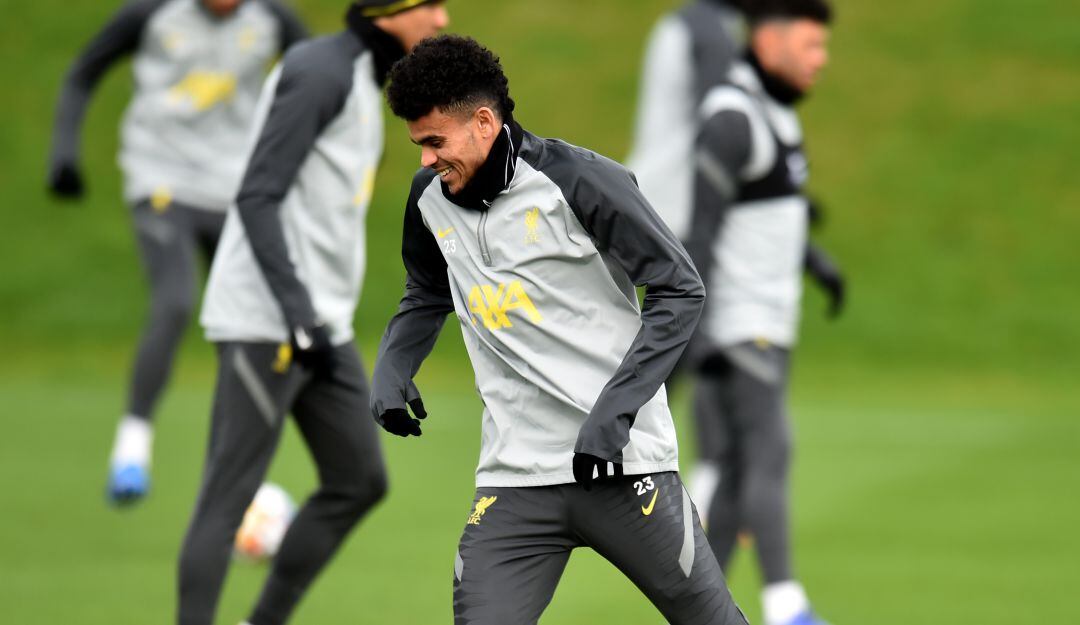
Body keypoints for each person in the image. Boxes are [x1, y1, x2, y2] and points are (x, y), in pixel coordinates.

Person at [371, 35, 748, 625]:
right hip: (514, 480)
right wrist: (394, 366)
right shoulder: (430, 200)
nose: (425, 159)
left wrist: (615, 410)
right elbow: (425, 289)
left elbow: (680, 287)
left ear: (485, 122)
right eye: (419, 145)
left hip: (625, 467)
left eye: (435, 142)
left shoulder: (581, 182)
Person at [180, 2, 448, 624]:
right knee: (228, 498)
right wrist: (298, 315)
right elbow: (257, 193)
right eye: (429, 3)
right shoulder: (322, 69)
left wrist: (314, 320)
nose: (440, 17)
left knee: (359, 479)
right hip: (267, 321)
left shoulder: (362, 75)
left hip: (319, 324)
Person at [47, 0, 308, 505]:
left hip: (237, 188)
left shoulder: (272, 19)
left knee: (251, 322)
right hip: (162, 178)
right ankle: (132, 446)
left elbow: (328, 81)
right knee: (175, 300)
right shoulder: (151, 13)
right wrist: (64, 152)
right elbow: (82, 73)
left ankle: (234, 469)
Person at [682, 2, 841, 624]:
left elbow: (771, 207)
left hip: (770, 321)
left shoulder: (775, 111)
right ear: (768, 42)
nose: (820, 60)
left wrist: (812, 257)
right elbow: (699, 233)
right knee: (770, 450)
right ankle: (786, 607)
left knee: (735, 474)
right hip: (737, 328)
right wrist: (694, 329)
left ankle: (699, 613)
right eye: (810, 46)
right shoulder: (731, 118)